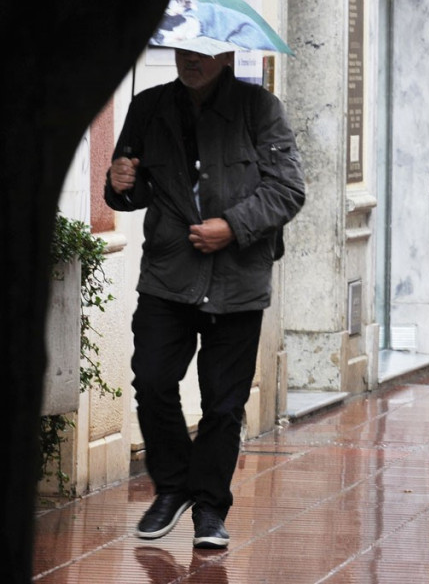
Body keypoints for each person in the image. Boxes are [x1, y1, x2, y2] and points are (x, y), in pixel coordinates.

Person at [105, 48, 305, 549]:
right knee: (151, 381)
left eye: (201, 53)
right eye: (182, 51)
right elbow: (130, 191)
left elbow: (288, 189)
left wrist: (232, 227)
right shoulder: (149, 105)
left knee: (222, 405)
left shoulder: (260, 108)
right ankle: (172, 488)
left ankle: (210, 509)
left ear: (226, 54)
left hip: (237, 281)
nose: (189, 60)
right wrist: (119, 185)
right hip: (168, 275)